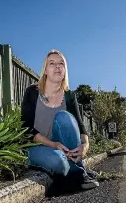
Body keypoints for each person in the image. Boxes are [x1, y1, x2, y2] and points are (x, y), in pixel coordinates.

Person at [21, 49, 99, 190]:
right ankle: (74, 171)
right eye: (52, 63)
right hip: (39, 146)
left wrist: (85, 146)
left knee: (64, 117)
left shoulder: (69, 95)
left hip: (64, 147)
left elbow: (81, 127)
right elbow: (26, 128)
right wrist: (53, 144)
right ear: (45, 70)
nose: (57, 66)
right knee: (58, 161)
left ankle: (77, 172)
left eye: (61, 63)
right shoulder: (32, 92)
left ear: (65, 70)